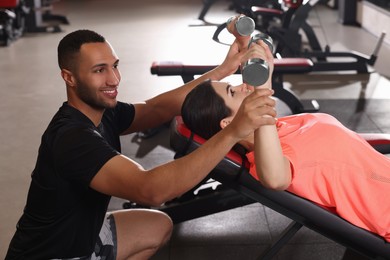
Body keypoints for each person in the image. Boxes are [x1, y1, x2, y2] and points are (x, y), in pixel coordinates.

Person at [5, 29, 278, 259]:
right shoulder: (72, 138)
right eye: (100, 70)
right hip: (51, 254)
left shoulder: (102, 112)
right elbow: (151, 190)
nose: (114, 79)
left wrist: (223, 70)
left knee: (155, 226)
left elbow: (156, 108)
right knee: (151, 208)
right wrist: (232, 132)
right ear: (69, 77)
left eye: (115, 65)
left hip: (84, 236)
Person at [181, 39, 390, 243]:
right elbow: (275, 179)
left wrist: (265, 71)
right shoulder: (268, 158)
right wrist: (261, 92)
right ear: (226, 123)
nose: (242, 86)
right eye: (232, 92)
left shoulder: (278, 127)